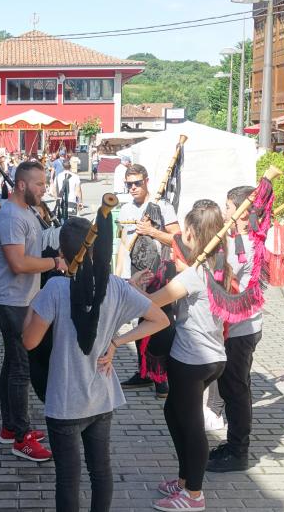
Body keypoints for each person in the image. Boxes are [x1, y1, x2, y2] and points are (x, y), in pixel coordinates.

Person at [22, 217, 169, 512]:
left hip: (65, 399)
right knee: (100, 471)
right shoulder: (114, 286)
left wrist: (33, 305)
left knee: (68, 478)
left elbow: (29, 341)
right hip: (101, 396)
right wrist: (117, 341)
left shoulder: (54, 290)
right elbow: (160, 319)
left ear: (62, 254)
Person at [134, 203, 230, 511]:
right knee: (173, 413)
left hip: (192, 360)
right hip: (211, 356)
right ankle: (185, 480)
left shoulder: (195, 275)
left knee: (190, 426)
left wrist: (132, 287)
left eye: (184, 230)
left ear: (191, 232)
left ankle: (194, 496)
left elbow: (150, 304)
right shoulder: (219, 264)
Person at [0, 160, 68, 462]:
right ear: (21, 185)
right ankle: (20, 438)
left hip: (21, 300)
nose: (44, 188)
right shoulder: (11, 216)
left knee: (12, 364)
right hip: (10, 302)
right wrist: (55, 263)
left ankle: (10, 427)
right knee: (21, 369)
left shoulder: (26, 211)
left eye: (44, 183)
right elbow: (18, 264)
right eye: (38, 183)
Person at [203, 186, 264, 474]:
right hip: (239, 327)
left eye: (229, 207)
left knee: (235, 389)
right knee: (234, 388)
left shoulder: (246, 245)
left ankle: (239, 453)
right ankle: (233, 444)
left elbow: (223, 278)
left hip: (242, 329)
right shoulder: (239, 239)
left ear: (243, 213)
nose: (225, 212)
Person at [115, 164, 179, 399]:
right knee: (140, 322)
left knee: (160, 324)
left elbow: (177, 240)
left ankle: (161, 375)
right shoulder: (125, 210)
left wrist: (152, 232)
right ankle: (144, 372)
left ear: (147, 181)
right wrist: (122, 274)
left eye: (137, 183)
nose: (133, 188)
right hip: (136, 273)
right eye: (129, 184)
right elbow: (122, 244)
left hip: (160, 273)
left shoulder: (163, 206)